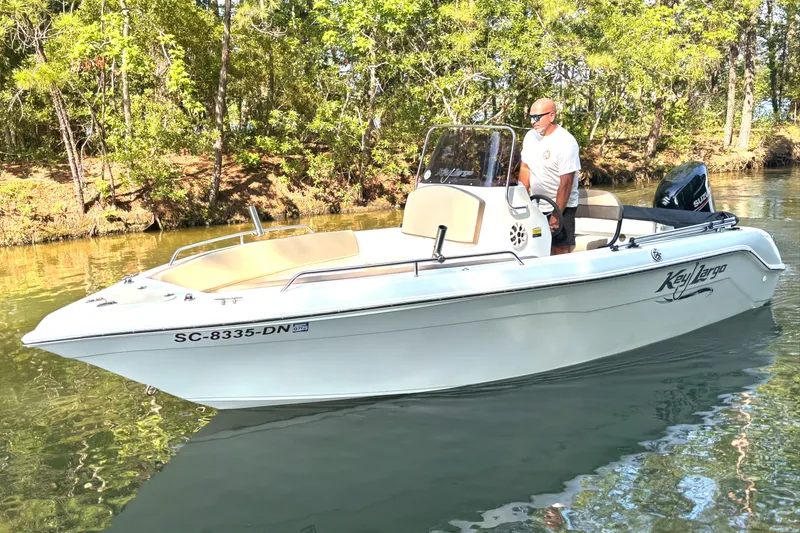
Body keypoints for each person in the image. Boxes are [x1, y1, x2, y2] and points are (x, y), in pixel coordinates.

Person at [518, 98, 581, 255]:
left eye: (537, 117)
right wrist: (522, 200)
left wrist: (556, 214)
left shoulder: (566, 142)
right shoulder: (530, 137)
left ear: (551, 116)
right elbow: (525, 168)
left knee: (558, 248)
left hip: (563, 206)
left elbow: (566, 183)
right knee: (533, 246)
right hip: (537, 203)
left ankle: (565, 278)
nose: (533, 122)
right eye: (531, 117)